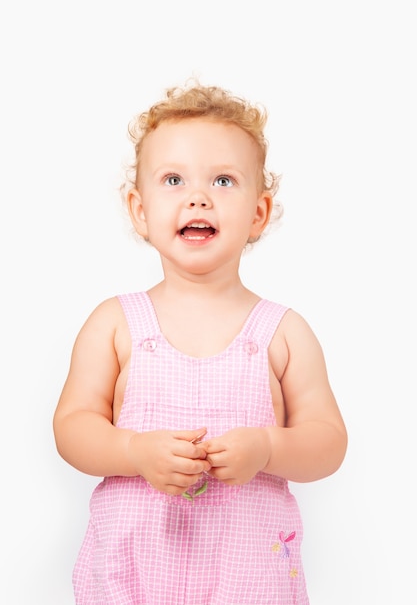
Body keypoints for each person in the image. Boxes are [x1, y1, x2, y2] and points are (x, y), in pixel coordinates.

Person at [53, 81, 348, 605]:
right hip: (135, 567)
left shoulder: (282, 332)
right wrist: (132, 449)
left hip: (249, 575)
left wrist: (269, 447)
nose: (198, 195)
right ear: (139, 209)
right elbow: (72, 429)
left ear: (258, 213)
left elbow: (328, 442)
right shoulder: (115, 323)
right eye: (173, 179)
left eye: (223, 179)